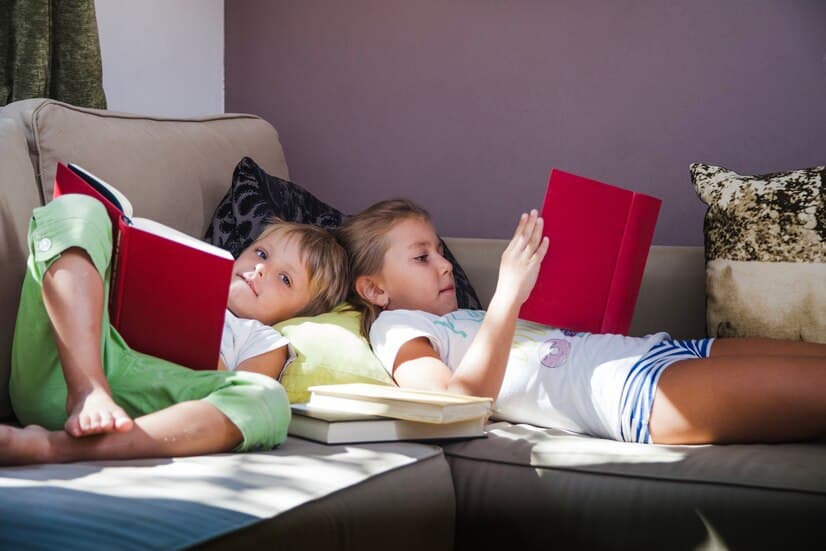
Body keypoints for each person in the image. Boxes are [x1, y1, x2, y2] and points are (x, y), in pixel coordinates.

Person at [335, 198, 826, 445]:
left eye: (440, 251)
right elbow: (451, 407)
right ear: (375, 289)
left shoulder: (464, 314)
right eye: (421, 257)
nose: (445, 264)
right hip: (632, 393)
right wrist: (509, 295)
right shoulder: (395, 328)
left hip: (657, 349)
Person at [1, 194, 348, 465]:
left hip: (151, 399)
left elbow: (226, 388)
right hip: (68, 360)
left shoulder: (264, 338)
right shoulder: (192, 276)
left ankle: (53, 447)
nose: (260, 270)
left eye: (284, 279)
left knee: (267, 400)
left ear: (300, 312)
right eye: (261, 253)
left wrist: (196, 335)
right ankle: (88, 389)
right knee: (77, 210)